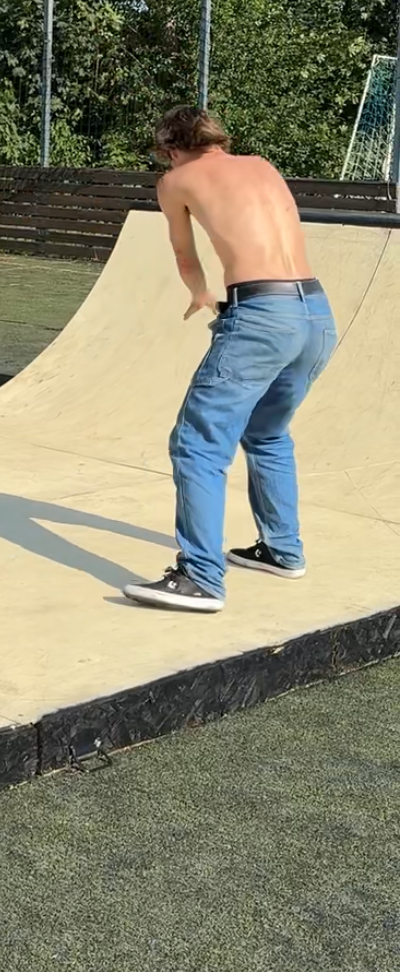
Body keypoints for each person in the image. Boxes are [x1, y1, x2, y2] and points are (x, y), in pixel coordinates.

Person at [123, 107, 337, 613]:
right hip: (315, 314)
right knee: (267, 433)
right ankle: (283, 551)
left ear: (170, 148)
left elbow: (184, 254)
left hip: (260, 316)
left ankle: (200, 577)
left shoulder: (176, 180)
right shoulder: (262, 164)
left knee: (197, 445)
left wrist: (201, 293)